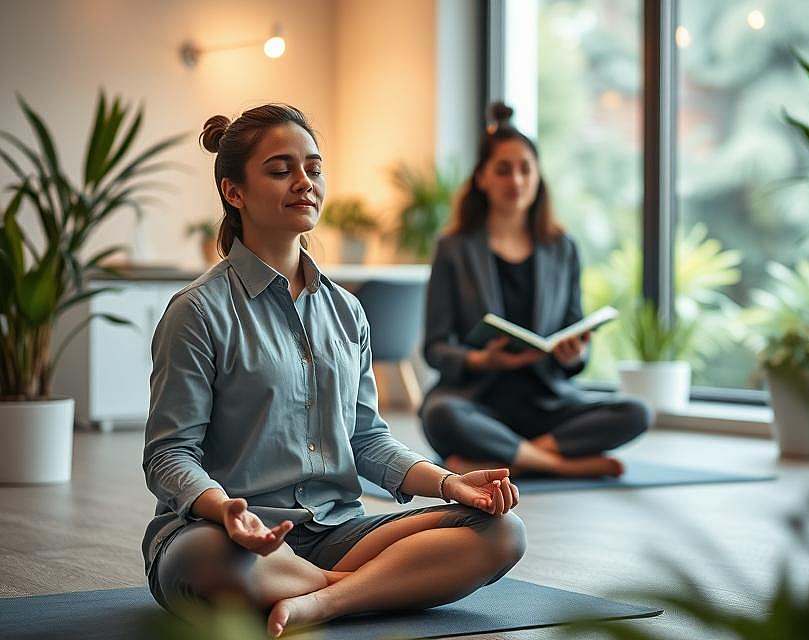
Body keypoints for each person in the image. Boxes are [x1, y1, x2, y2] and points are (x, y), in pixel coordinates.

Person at [141, 104, 526, 638]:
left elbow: (367, 440)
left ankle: (319, 600)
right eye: (281, 170)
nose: (304, 183)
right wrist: (224, 509)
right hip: (231, 539)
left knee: (502, 534)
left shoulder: (347, 311)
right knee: (201, 561)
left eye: (313, 169)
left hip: (339, 530)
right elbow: (168, 455)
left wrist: (450, 484)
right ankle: (369, 586)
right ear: (234, 192)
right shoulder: (198, 312)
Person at [420, 102, 652, 479]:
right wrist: (481, 360)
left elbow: (576, 342)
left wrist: (573, 353)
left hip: (546, 401)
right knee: (440, 415)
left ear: (538, 176)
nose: (516, 181)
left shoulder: (562, 248)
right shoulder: (454, 248)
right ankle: (561, 465)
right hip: (479, 401)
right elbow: (435, 348)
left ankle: (506, 460)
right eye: (503, 170)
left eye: (525, 169)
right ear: (481, 178)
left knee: (637, 412)